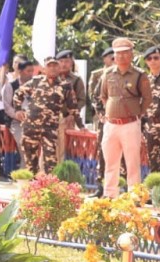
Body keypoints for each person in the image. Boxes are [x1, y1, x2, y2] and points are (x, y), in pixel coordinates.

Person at [100, 38, 151, 197]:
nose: (121, 56)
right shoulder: (108, 74)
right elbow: (103, 96)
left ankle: (134, 196)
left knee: (132, 163)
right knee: (110, 162)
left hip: (130, 124)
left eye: (125, 53)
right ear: (114, 56)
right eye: (118, 54)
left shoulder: (139, 75)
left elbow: (147, 98)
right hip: (111, 124)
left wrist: (137, 114)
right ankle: (109, 195)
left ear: (132, 54)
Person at [13, 57, 76, 175]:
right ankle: (32, 188)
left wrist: (77, 121)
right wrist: (18, 110)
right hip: (31, 126)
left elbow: (73, 107)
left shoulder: (65, 86)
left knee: (50, 161)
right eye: (49, 66)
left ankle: (48, 187)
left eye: (55, 66)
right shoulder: (36, 81)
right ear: (44, 69)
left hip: (50, 128)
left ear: (59, 68)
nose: (52, 68)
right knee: (30, 161)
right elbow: (18, 93)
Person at [88, 47, 114, 192]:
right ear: (104, 58)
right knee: (102, 151)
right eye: (110, 57)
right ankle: (100, 187)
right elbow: (93, 96)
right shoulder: (98, 74)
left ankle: (121, 187)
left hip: (121, 119)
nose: (113, 60)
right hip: (103, 119)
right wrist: (101, 113)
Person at [55, 50, 86, 162]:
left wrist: (73, 114)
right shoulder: (51, 78)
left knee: (63, 149)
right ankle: (44, 177)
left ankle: (60, 176)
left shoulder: (76, 80)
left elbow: (81, 100)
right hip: (49, 119)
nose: (63, 64)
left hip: (66, 118)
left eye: (67, 61)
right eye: (61, 61)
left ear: (72, 62)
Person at [0, 58, 34, 154]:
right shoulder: (10, 86)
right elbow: (7, 106)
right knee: (25, 146)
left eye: (32, 71)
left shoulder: (36, 86)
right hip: (16, 122)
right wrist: (17, 114)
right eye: (28, 71)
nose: (31, 74)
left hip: (33, 122)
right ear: (20, 71)